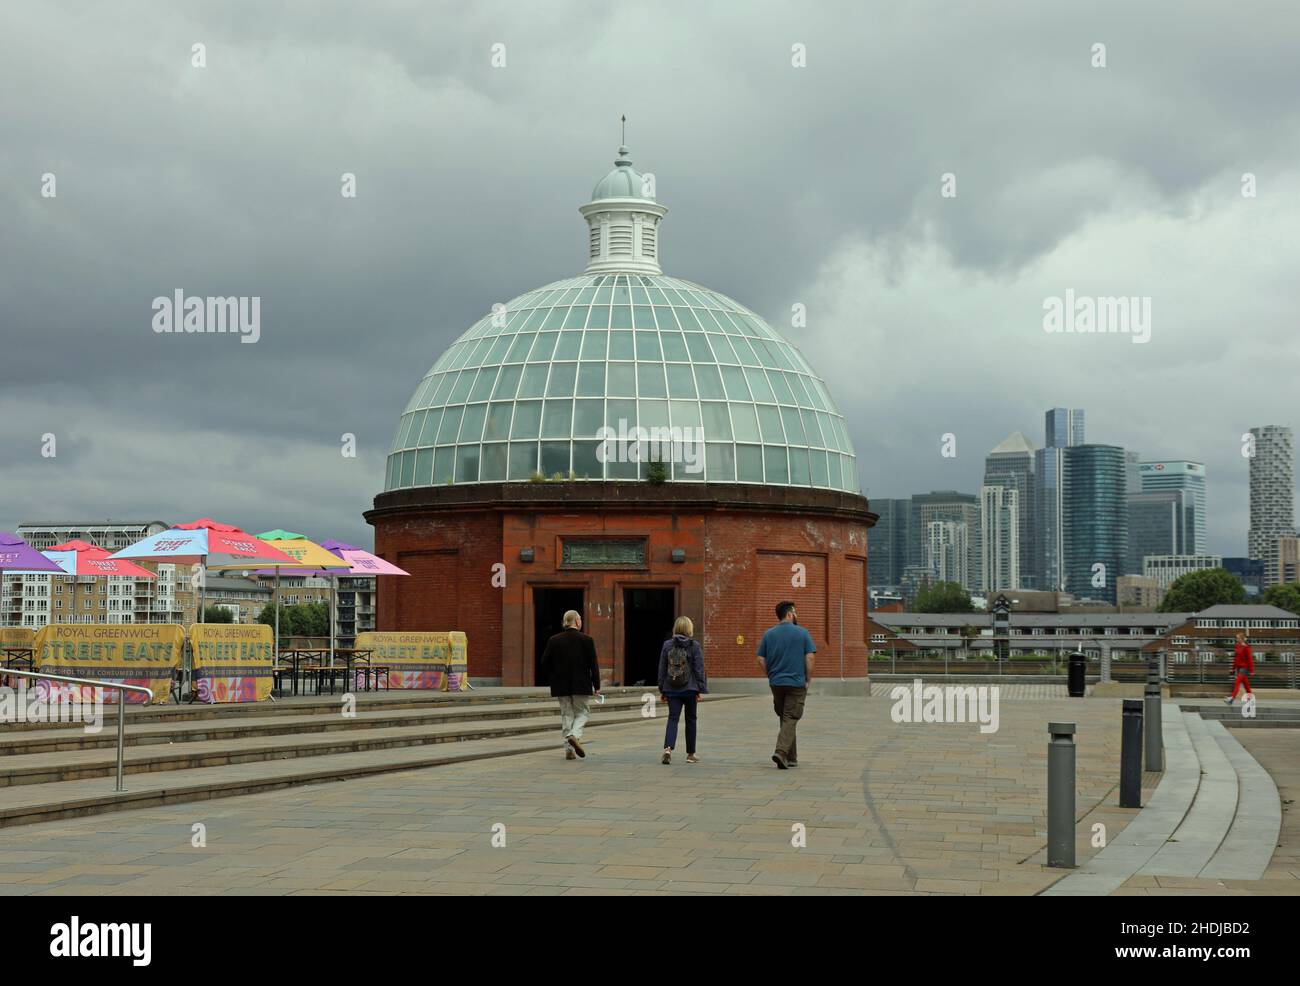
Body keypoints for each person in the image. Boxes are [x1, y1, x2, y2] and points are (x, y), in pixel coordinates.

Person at [756, 600, 815, 769]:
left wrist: (770, 674)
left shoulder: (769, 634)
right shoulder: (802, 633)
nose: (796, 615)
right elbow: (810, 658)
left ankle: (792, 757)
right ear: (789, 614)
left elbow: (760, 658)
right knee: (791, 716)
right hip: (796, 682)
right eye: (795, 612)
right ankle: (781, 752)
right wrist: (808, 679)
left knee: (785, 717)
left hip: (776, 683)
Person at [539, 609, 601, 759]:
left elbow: (544, 662)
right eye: (580, 620)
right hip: (581, 684)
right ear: (577, 621)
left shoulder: (554, 640)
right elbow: (594, 665)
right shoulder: (587, 640)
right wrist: (596, 685)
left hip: (561, 685)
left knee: (567, 715)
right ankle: (574, 735)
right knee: (582, 713)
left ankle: (568, 749)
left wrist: (554, 676)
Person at [658, 616, 707, 764]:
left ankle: (668, 749)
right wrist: (700, 689)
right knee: (691, 720)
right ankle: (690, 754)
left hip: (672, 688)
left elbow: (662, 668)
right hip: (690, 689)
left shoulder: (667, 645)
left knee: (673, 718)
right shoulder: (694, 645)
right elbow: (699, 669)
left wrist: (662, 689)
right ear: (689, 629)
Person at [1224, 630, 1254, 706]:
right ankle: (1250, 699)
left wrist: (1251, 670)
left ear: (1242, 639)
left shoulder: (1246, 648)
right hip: (1238, 668)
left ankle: (1231, 699)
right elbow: (1236, 659)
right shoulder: (1237, 646)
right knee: (1246, 684)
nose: (1236, 639)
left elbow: (1250, 659)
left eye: (1238, 638)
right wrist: (1233, 669)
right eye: (1236, 638)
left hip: (1244, 668)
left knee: (1237, 683)